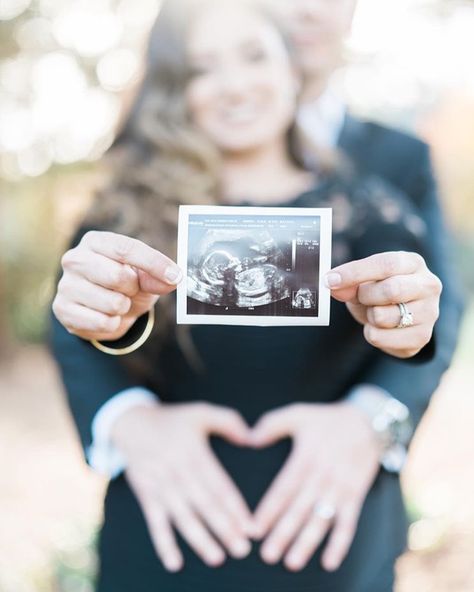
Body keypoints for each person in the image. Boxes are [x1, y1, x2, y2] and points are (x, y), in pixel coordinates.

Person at [50, 1, 447, 590]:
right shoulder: (125, 213)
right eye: (201, 68)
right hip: (167, 528)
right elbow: (81, 333)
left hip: (329, 533)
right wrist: (111, 342)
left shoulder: (375, 213)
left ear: (294, 69)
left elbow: (422, 332)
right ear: (176, 93)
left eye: (254, 56)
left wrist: (406, 323)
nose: (233, 85)